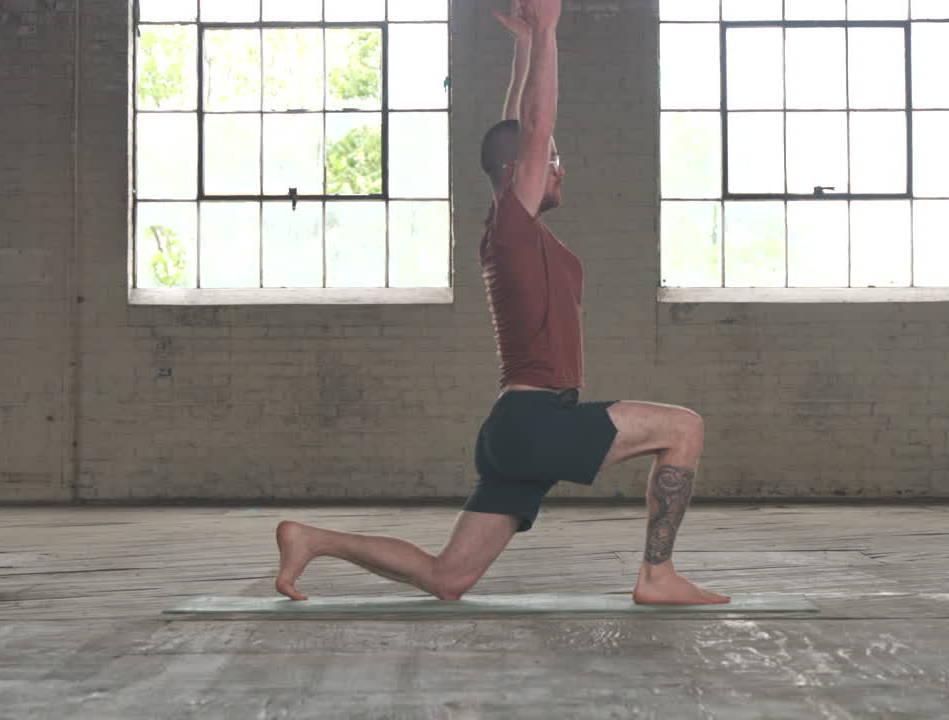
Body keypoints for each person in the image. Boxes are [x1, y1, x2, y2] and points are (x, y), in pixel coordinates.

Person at [274, 0, 728, 606]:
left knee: (448, 578)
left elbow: (517, 128)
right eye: (551, 160)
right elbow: (534, 124)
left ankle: (311, 539)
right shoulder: (513, 227)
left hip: (513, 430)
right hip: (537, 422)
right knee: (683, 427)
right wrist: (549, 29)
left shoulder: (508, 229)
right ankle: (657, 575)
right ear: (519, 170)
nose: (559, 170)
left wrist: (524, 48)